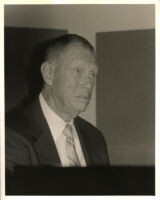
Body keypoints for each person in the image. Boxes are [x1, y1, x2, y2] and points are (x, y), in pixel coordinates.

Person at [6, 34, 109, 173]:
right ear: (49, 73)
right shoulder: (10, 135)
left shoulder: (96, 139)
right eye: (78, 71)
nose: (88, 84)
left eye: (92, 74)